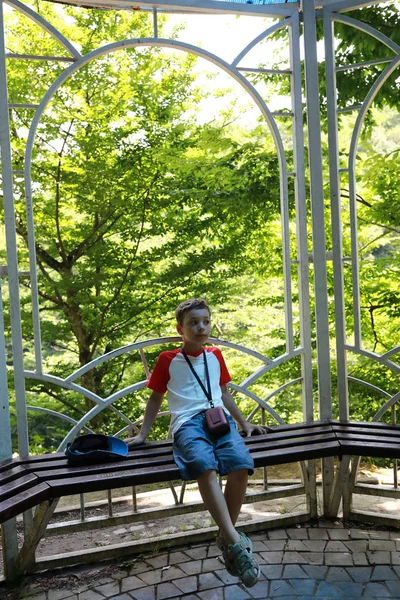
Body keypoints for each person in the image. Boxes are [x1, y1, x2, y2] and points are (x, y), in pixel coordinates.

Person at [126, 298, 267, 587]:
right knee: (205, 466)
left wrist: (244, 423)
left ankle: (227, 538)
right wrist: (142, 434)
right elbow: (155, 397)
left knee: (241, 465)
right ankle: (235, 543)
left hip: (220, 420)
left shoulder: (215, 355)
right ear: (180, 328)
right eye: (193, 323)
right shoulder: (168, 359)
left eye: (205, 321)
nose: (201, 327)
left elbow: (225, 393)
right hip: (187, 424)